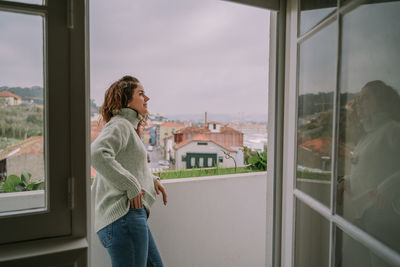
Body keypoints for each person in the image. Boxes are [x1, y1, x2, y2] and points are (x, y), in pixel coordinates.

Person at [91, 75, 167, 267]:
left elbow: (129, 163)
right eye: (141, 94)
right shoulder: (120, 124)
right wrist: (133, 186)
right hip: (124, 217)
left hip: (129, 218)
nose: (147, 99)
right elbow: (97, 154)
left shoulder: (127, 127)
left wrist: (151, 179)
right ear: (125, 100)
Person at [340, 80, 400, 267]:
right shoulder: (369, 134)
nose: (358, 103)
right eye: (358, 99)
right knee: (348, 259)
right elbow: (374, 168)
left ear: (381, 101)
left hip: (381, 216)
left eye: (365, 98)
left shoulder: (392, 129)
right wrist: (346, 180)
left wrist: (390, 186)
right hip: (366, 215)